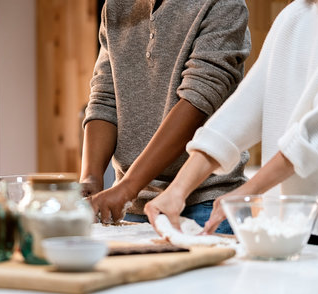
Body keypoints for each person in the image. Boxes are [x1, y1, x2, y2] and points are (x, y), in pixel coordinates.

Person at [144, 0, 318, 254]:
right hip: (288, 227)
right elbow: (244, 109)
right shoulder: (294, 14)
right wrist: (177, 190)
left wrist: (247, 192)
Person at [80, 0, 251, 233]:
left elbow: (198, 99)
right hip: (131, 206)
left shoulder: (224, 4)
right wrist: (91, 177)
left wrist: (129, 186)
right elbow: (105, 96)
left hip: (205, 203)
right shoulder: (116, 6)